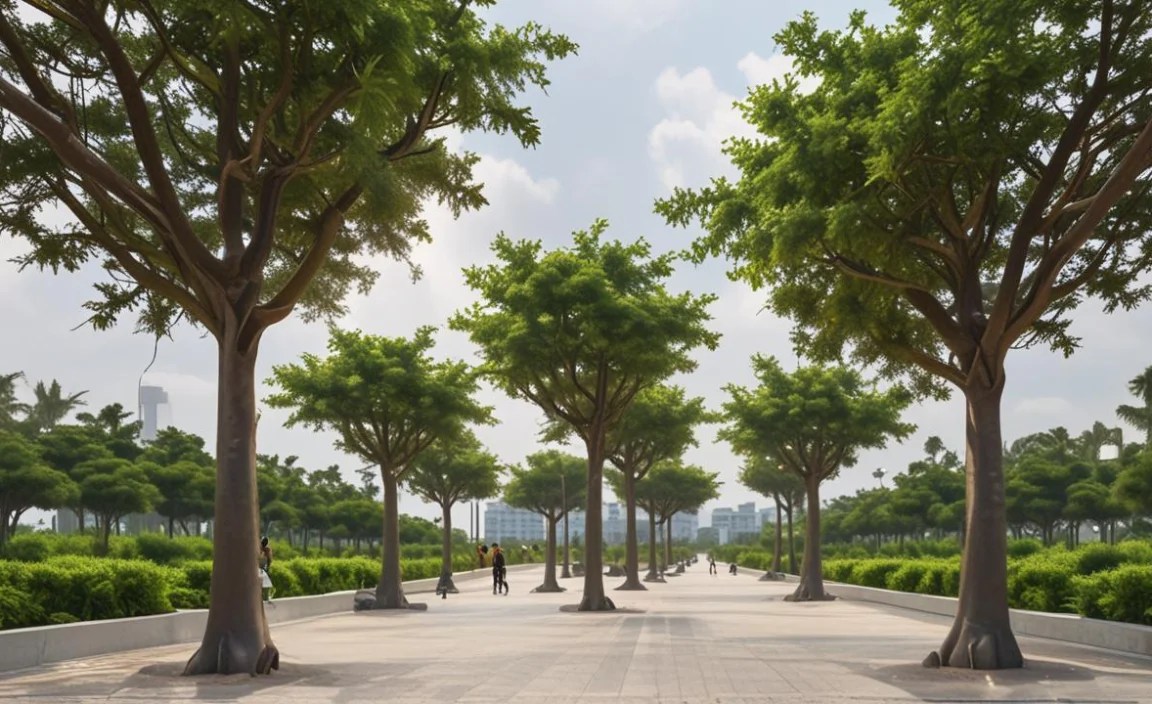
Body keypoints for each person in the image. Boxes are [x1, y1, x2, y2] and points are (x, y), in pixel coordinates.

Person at [259, 536, 274, 603]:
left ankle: (264, 597)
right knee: (266, 583)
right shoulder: (267, 550)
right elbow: (269, 561)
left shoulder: (260, 549)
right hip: (263, 569)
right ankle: (266, 597)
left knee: (263, 584)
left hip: (261, 569)